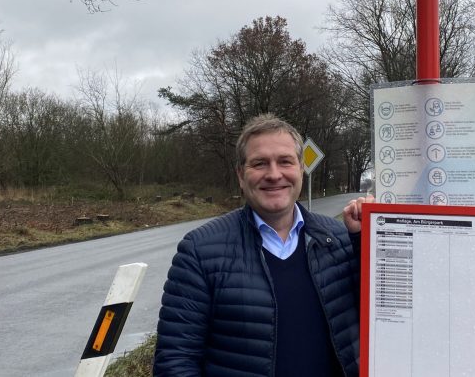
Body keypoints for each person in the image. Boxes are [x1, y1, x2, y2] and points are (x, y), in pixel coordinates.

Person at [153, 114, 374, 376]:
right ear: (240, 175)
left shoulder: (339, 239)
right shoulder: (199, 252)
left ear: (301, 168)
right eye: (259, 163)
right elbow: (176, 361)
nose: (273, 174)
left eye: (285, 161)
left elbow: (383, 315)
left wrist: (364, 240)